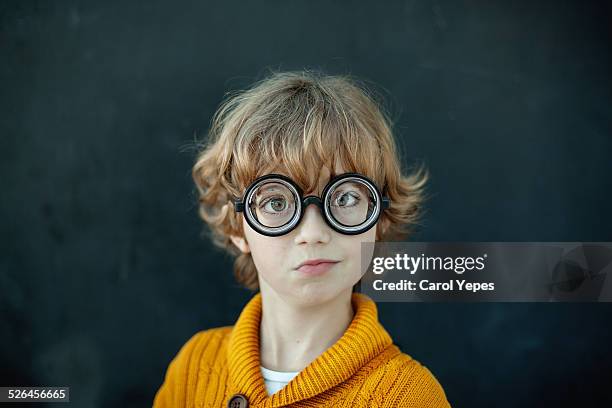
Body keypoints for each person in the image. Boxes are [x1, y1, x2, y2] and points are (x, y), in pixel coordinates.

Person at [153, 70, 450, 407]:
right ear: (238, 227)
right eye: (276, 202)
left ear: (379, 218)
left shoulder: (408, 397)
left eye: (346, 198)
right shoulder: (194, 367)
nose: (312, 233)